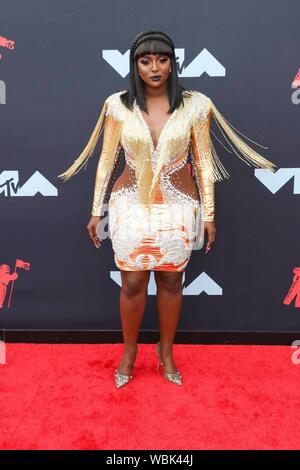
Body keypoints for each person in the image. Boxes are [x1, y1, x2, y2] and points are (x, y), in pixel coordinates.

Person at [58, 30, 278, 388]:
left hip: (179, 205)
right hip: (129, 203)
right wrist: (96, 209)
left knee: (173, 279)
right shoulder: (117, 105)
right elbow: (105, 161)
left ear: (173, 64)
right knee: (131, 280)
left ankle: (166, 351)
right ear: (135, 66)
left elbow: (204, 163)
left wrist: (209, 215)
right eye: (146, 61)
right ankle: (129, 353)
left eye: (162, 59)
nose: (155, 67)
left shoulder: (196, 104)